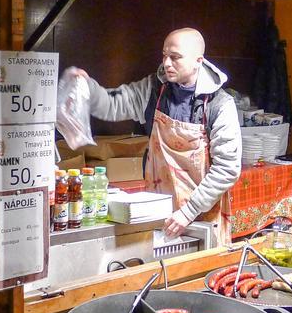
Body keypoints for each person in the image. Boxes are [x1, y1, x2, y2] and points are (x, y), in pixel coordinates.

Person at [70, 28, 241, 243]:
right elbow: (113, 105)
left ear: (198, 60)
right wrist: (90, 90)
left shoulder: (219, 104)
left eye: (175, 57)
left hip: (203, 215)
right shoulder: (153, 89)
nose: (167, 63)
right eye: (164, 55)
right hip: (159, 209)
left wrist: (188, 212)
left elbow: (227, 168)